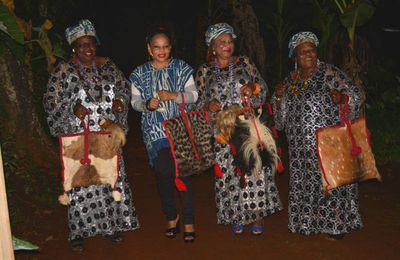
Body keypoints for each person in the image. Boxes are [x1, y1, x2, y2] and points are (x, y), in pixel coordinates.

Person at [43, 19, 139, 251]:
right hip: (79, 136)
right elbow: (49, 101)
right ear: (73, 47)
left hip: (106, 134)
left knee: (109, 179)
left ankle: (112, 225)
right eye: (82, 45)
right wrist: (72, 108)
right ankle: (78, 231)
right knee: (80, 182)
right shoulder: (63, 71)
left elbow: (124, 89)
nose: (88, 49)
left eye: (91, 44)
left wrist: (119, 102)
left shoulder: (108, 66)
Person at [272, 32, 364, 240]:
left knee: (329, 182)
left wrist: (343, 98)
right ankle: (306, 221)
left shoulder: (329, 73)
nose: (308, 54)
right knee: (305, 183)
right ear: (294, 57)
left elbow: (356, 97)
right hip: (299, 147)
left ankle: (336, 225)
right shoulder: (289, 81)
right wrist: (278, 97)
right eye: (303, 51)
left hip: (327, 142)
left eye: (312, 49)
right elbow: (280, 121)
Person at [195, 22, 282, 236]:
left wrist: (253, 88)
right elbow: (195, 104)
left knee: (254, 169)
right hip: (223, 130)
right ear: (212, 47)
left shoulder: (245, 62)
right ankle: (236, 215)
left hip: (248, 124)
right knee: (229, 173)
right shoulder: (204, 71)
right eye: (221, 42)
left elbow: (262, 87)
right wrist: (207, 106)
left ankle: (257, 214)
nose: (227, 45)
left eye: (230, 41)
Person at [130, 25, 198, 243]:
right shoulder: (138, 73)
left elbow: (194, 95)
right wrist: (147, 104)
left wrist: (173, 95)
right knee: (163, 171)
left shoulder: (182, 68)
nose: (161, 51)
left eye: (165, 47)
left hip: (181, 126)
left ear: (170, 48)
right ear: (149, 49)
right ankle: (171, 214)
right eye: (156, 47)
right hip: (154, 129)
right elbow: (134, 103)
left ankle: (188, 220)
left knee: (183, 172)